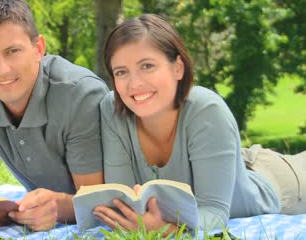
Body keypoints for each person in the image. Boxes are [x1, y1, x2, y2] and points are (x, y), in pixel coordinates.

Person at [93, 13, 306, 234]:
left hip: (283, 184)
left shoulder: (207, 109)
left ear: (178, 68)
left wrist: (166, 231)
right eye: (121, 72)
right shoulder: (113, 110)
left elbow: (214, 213)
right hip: (230, 162)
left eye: (147, 66)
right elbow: (124, 201)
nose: (134, 83)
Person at [0, 0, 108, 235]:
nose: (1, 70)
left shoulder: (80, 94)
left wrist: (59, 208)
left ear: (38, 48)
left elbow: (97, 202)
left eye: (12, 51)